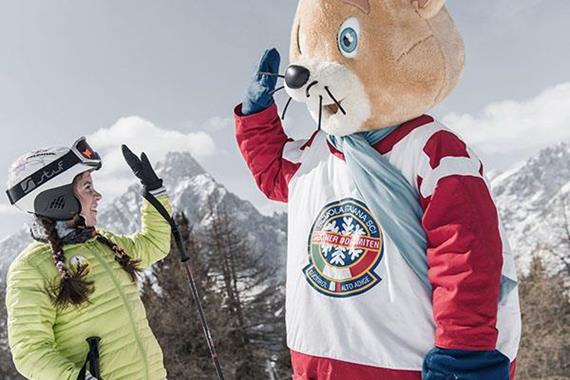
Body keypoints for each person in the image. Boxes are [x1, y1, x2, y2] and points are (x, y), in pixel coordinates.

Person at [4, 137, 172, 380]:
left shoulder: (104, 243)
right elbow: (30, 351)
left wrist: (154, 191)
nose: (98, 195)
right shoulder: (31, 268)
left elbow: (154, 245)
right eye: (87, 187)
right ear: (58, 198)